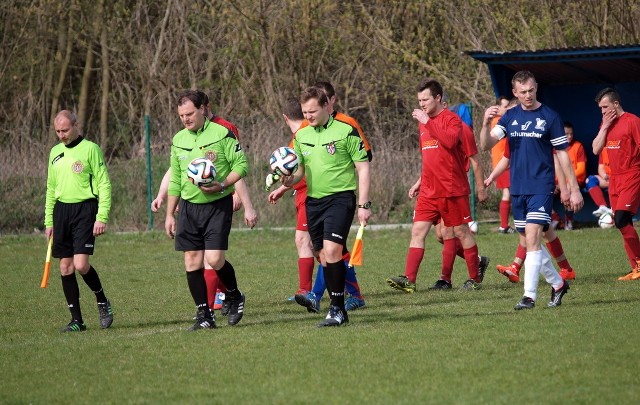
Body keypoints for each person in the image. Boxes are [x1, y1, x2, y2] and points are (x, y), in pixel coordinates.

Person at [480, 70, 583, 310]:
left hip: (541, 187)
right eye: (522, 92)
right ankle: (558, 284)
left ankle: (529, 296)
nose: (528, 95)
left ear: (536, 87)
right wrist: (485, 124)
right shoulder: (509, 117)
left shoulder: (550, 117)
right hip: (518, 189)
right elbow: (486, 145)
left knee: (535, 237)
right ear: (515, 92)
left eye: (531, 90)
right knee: (529, 242)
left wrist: (573, 188)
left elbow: (563, 155)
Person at [152, 91, 257, 313]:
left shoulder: (223, 133)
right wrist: (170, 214)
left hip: (217, 205)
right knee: (191, 261)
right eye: (181, 116)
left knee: (215, 258)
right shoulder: (178, 140)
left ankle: (234, 294)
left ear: (202, 109)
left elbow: (241, 166)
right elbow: (177, 179)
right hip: (189, 208)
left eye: (189, 113)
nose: (186, 119)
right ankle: (204, 314)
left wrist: (222, 185)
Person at [282, 86, 371, 327]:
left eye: (312, 111)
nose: (308, 116)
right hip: (314, 201)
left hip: (340, 199)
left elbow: (363, 168)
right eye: (304, 112)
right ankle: (339, 305)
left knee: (332, 251)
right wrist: (289, 179)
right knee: (322, 256)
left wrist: (363, 204)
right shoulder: (302, 135)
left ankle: (337, 309)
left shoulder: (346, 130)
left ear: (326, 107)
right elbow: (300, 170)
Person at [385, 78, 482, 293]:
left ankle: (474, 278)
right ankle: (409, 280)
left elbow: (448, 142)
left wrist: (428, 122)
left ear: (438, 98)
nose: (422, 104)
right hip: (429, 189)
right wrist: (419, 182)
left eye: (425, 99)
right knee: (418, 231)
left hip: (451, 188)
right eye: (419, 100)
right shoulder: (422, 122)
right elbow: (429, 157)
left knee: (461, 232)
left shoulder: (452, 120)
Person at [44, 110, 113, 332]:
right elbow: (51, 189)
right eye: (57, 131)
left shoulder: (90, 149)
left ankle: (102, 300)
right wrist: (49, 221)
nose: (61, 135)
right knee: (65, 267)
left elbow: (104, 184)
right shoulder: (55, 152)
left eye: (65, 130)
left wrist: (101, 216)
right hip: (61, 211)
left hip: (85, 210)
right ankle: (77, 321)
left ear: (76, 125)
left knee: (81, 264)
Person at [487, 143, 577, 282]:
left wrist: (563, 186)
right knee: (542, 232)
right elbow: (504, 157)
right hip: (522, 189)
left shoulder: (541, 129)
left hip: (541, 189)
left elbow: (556, 159)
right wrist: (492, 176)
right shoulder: (513, 131)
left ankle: (520, 273)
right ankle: (566, 269)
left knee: (534, 230)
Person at [429, 92, 491, 289]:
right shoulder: (433, 127)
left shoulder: (462, 129)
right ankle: (478, 261)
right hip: (438, 188)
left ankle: (463, 278)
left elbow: (475, 161)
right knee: (441, 234)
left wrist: (481, 188)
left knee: (458, 231)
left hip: (455, 187)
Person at [592, 88, 640, 280]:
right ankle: (636, 267)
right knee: (622, 224)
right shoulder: (606, 124)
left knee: (621, 219)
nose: (603, 111)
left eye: (605, 107)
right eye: (600, 108)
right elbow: (596, 149)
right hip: (614, 179)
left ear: (616, 104)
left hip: (632, 175)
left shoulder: (633, 121)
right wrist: (604, 127)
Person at [487, 96, 517, 234]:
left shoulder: (498, 121)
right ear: (498, 108)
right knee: (508, 194)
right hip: (504, 164)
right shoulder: (499, 121)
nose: (506, 109)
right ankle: (504, 226)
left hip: (504, 163)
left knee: (510, 194)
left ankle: (505, 225)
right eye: (504, 106)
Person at [551, 121, 586, 231]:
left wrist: (565, 183)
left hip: (574, 181)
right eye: (566, 134)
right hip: (558, 182)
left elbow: (581, 170)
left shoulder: (578, 146)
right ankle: (555, 218)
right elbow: (553, 168)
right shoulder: (554, 148)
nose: (569, 136)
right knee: (541, 191)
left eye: (571, 134)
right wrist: (556, 184)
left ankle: (568, 220)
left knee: (569, 188)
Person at [585, 147, 614, 219]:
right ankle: (603, 206)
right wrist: (604, 176)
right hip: (608, 179)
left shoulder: (620, 148)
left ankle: (615, 212)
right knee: (590, 180)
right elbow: (600, 168)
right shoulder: (604, 149)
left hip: (620, 180)